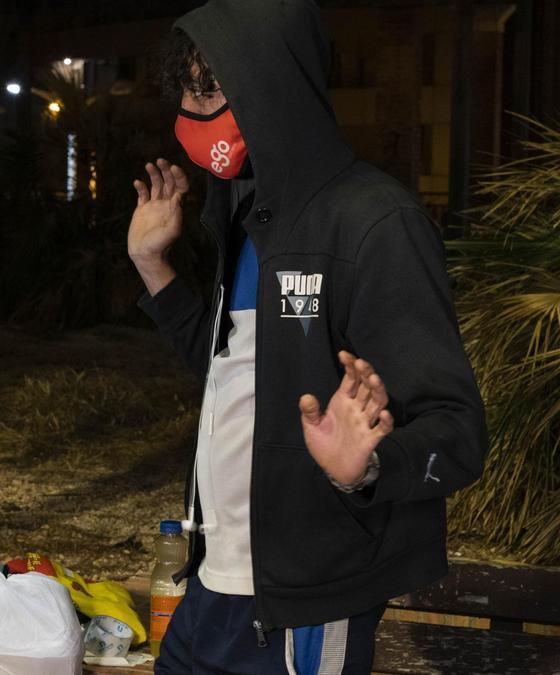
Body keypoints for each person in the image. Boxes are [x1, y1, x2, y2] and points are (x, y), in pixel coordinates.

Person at [128, 1, 487, 672]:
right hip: (212, 585)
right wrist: (155, 268)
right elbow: (229, 376)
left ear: (272, 82)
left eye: (208, 86)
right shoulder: (248, 216)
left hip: (305, 606)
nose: (189, 109)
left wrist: (369, 466)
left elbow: (459, 431)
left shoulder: (374, 222)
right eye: (183, 88)